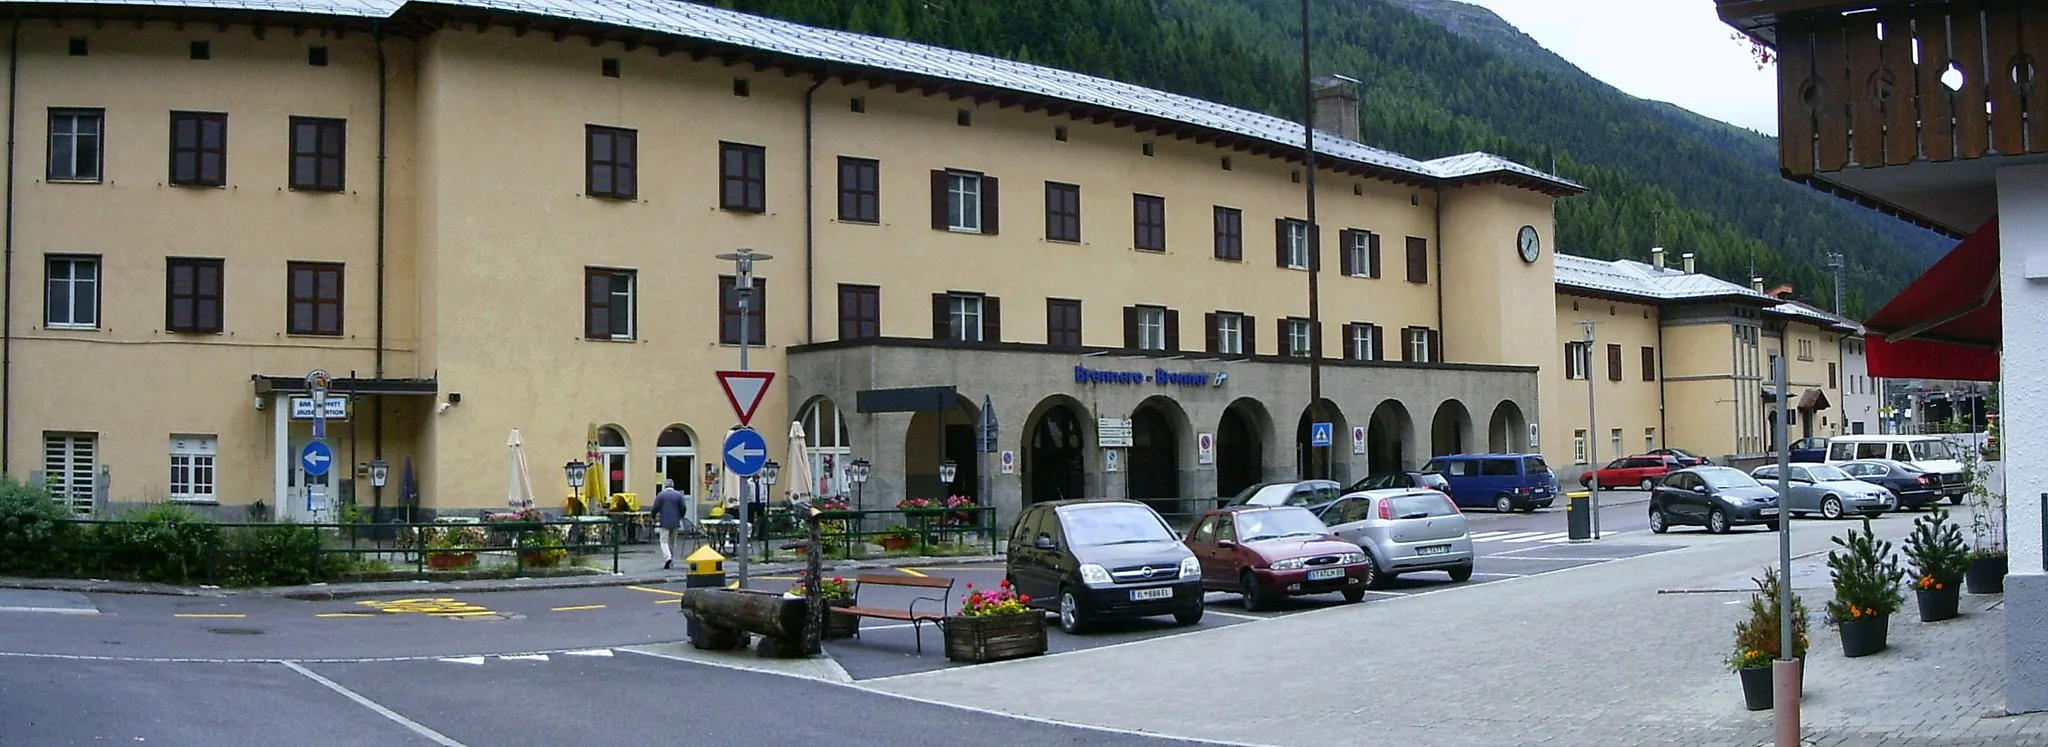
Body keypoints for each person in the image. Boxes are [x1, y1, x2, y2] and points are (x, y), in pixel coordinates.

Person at [651, 480, 687, 570]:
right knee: (672, 542)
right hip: (675, 521)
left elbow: (655, 508)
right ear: (673, 485)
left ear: (665, 486)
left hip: (664, 521)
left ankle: (668, 558)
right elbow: (683, 507)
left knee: (663, 541)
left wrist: (653, 516)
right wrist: (680, 516)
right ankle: (671, 560)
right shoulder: (679, 495)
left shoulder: (661, 495)